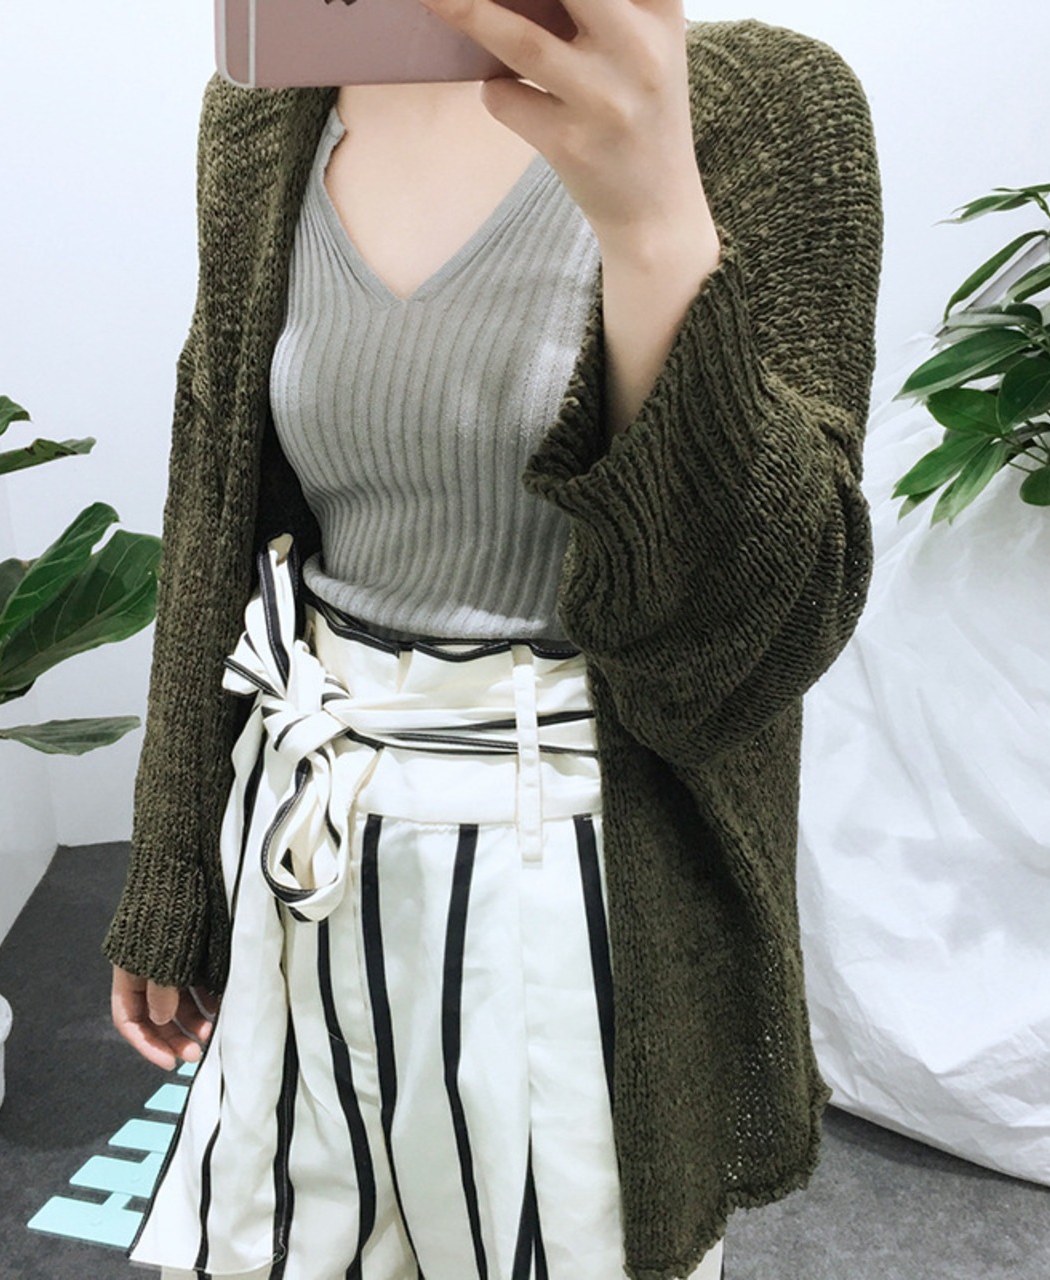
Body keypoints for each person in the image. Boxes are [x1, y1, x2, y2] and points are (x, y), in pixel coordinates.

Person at [103, 3, 883, 1278]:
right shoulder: (265, 111)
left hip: (576, 864)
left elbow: (760, 634)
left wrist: (652, 227)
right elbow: (215, 500)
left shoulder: (760, 106)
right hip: (308, 831)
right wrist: (173, 863)